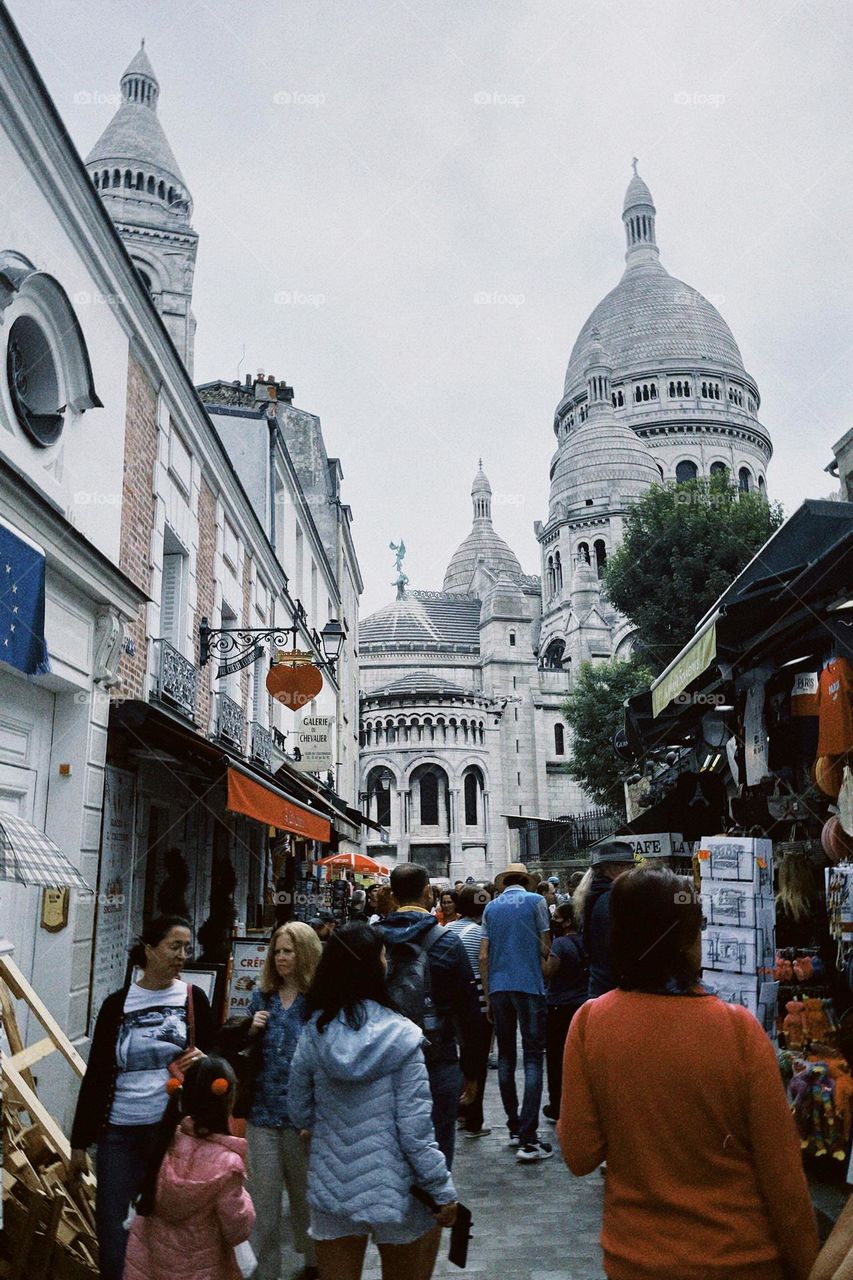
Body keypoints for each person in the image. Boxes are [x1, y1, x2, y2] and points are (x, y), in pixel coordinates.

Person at [558, 866, 819, 1280]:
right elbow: (782, 1176)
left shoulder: (590, 1023)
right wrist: (809, 1267)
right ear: (684, 940)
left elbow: (579, 1154)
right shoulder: (737, 1030)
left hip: (636, 1259)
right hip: (741, 1260)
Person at [288, 923, 457, 1280]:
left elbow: (299, 1109)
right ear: (374, 967)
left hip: (332, 1182)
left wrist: (322, 1132)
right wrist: (441, 1188)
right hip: (396, 1186)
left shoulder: (314, 1033)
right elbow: (415, 1129)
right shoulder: (403, 1037)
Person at [69, 915, 213, 1280]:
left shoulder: (193, 999)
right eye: (174, 946)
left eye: (186, 947)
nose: (182, 955)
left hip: (172, 1132)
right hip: (119, 1131)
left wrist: (206, 1059)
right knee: (115, 1228)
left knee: (170, 1229)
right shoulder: (117, 1004)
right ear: (149, 950)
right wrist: (80, 1142)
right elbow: (99, 1072)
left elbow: (216, 1059)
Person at [375, 864, 480, 1167]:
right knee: (436, 1147)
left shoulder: (371, 940)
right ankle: (436, 1208)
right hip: (436, 1058)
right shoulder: (448, 941)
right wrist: (471, 1073)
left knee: (388, 1149)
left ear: (392, 896)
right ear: (428, 893)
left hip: (383, 1060)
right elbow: (469, 1012)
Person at [123, 1055, 255, 1280]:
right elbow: (237, 1228)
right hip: (201, 1269)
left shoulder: (166, 1141)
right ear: (227, 1099)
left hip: (154, 1263)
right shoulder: (227, 1165)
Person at [245, 921, 322, 1280]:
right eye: (276, 951)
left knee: (306, 1202)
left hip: (302, 1118)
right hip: (263, 1113)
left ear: (304, 953)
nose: (280, 958)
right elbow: (242, 1052)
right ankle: (266, 1273)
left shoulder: (318, 1000)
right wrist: (250, 1030)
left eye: (287, 951)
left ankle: (314, 1265)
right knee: (263, 1206)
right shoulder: (262, 996)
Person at [479, 862, 552, 1162]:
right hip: (530, 986)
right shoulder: (537, 902)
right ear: (526, 881)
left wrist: (487, 995)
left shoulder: (491, 909)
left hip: (499, 987)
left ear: (504, 882)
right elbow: (545, 947)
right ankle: (529, 1136)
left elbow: (484, 955)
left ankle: (512, 1127)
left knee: (507, 1057)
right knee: (533, 1058)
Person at [445, 883, 493, 1137]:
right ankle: (474, 1117)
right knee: (477, 1060)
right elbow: (486, 967)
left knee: (461, 1058)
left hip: (450, 1002)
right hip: (476, 1001)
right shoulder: (480, 934)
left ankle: (461, 1112)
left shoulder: (447, 929)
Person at [542, 903, 587, 1123]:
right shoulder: (587, 942)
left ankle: (558, 1104)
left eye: (558, 918)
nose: (555, 921)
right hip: (581, 1004)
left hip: (559, 1006)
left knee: (556, 1058)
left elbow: (548, 972)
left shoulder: (560, 944)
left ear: (568, 921)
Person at [582, 839, 636, 997]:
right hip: (612, 990)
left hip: (602, 987)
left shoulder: (596, 894)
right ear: (613, 868)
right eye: (629, 866)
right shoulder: (613, 899)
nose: (632, 871)